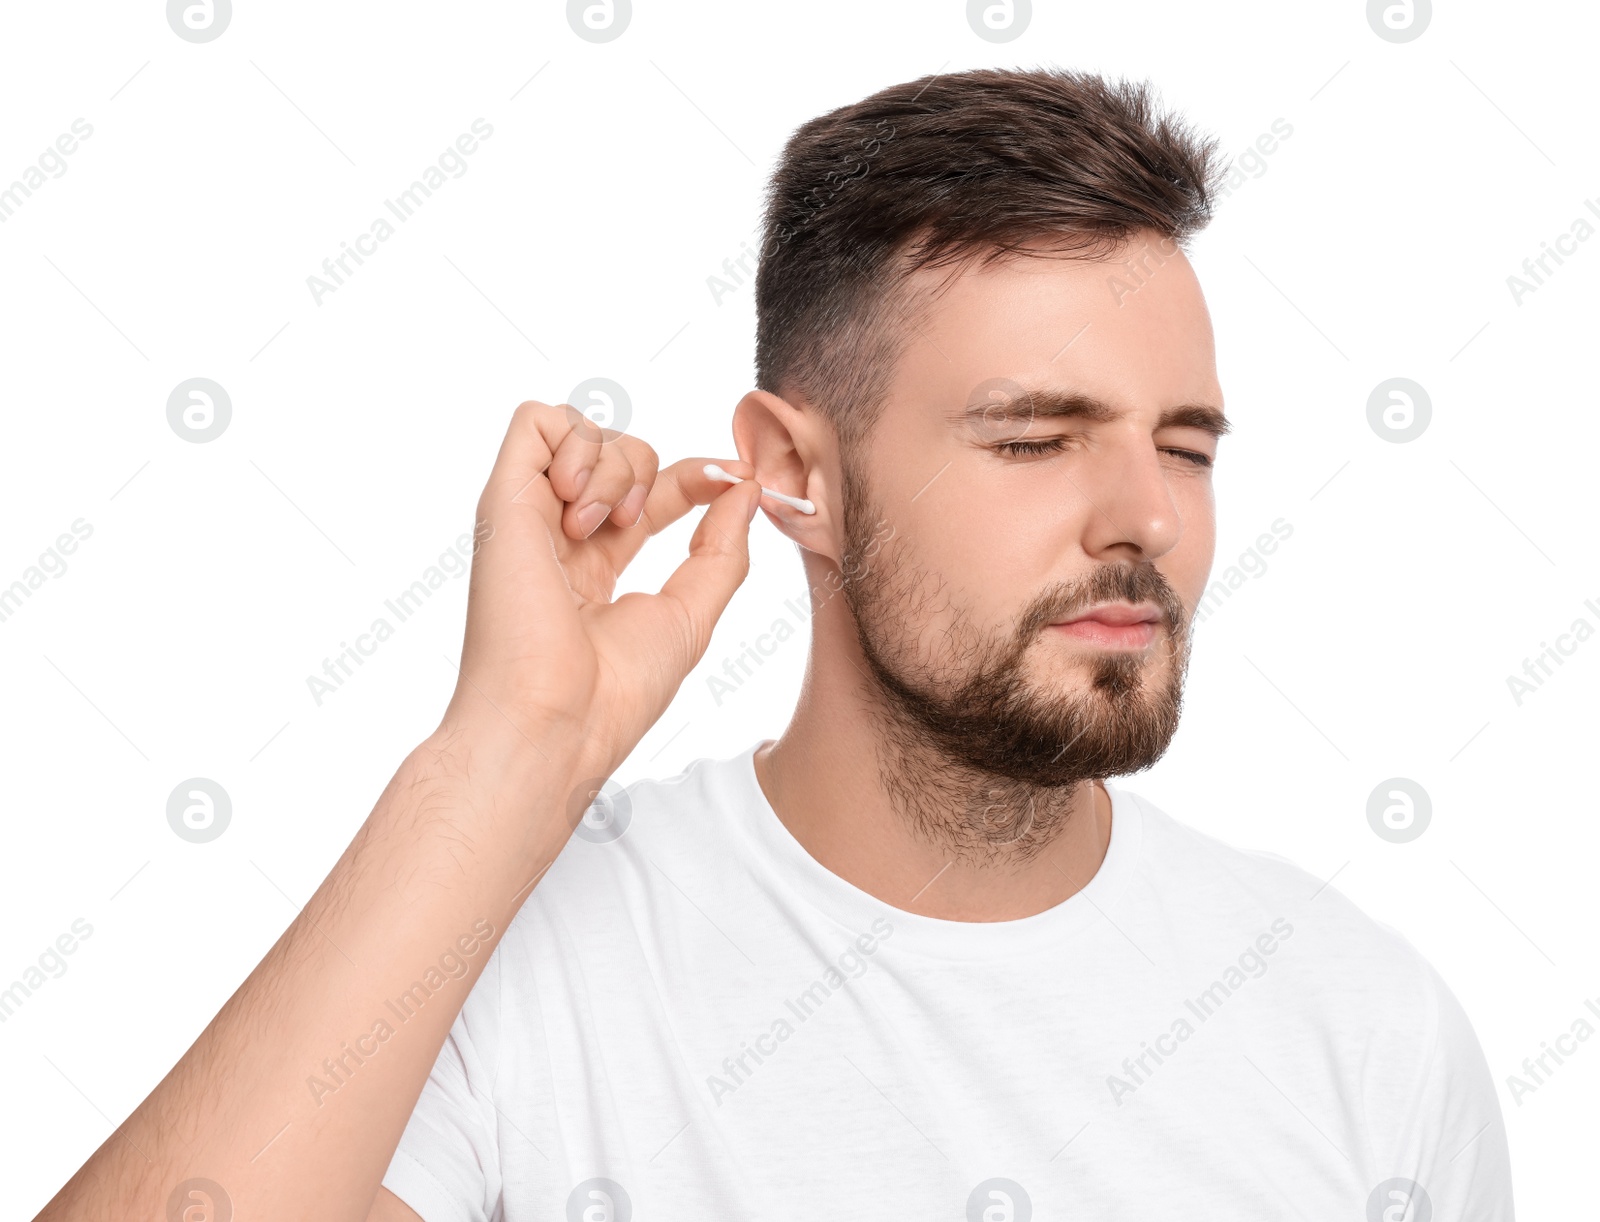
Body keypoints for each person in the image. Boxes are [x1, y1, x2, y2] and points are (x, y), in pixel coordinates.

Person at [37, 66, 1513, 1222]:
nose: (1146, 519)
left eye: (1183, 445)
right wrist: (506, 761)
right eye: (1032, 437)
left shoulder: (1366, 1032)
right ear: (798, 475)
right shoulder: (533, 966)